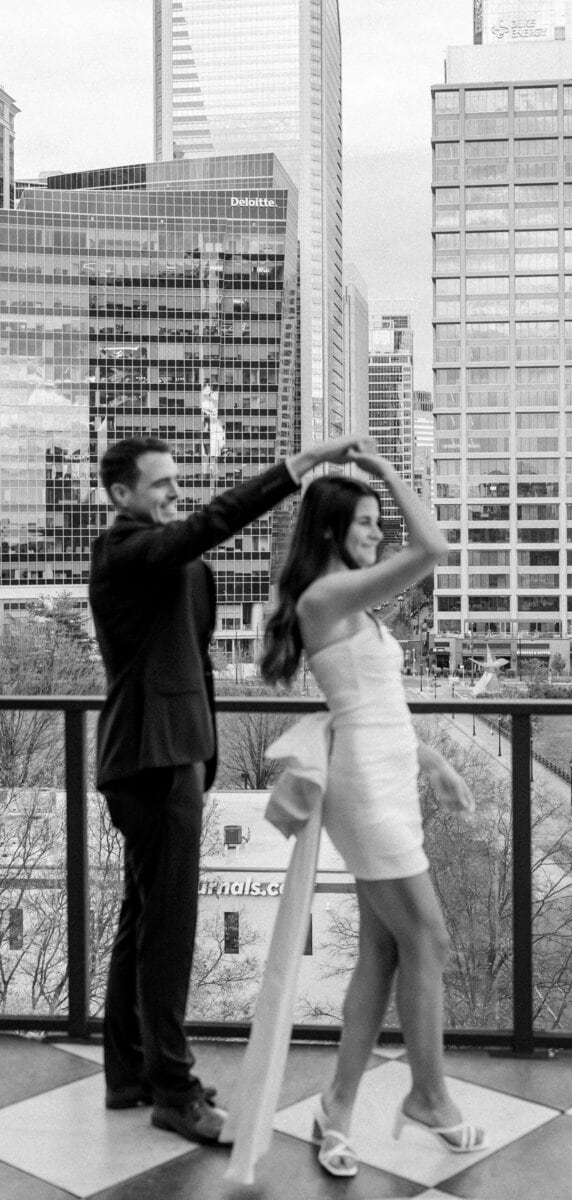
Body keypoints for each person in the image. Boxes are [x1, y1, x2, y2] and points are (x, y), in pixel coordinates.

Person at [89, 432, 366, 1146]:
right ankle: (173, 1093)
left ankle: (131, 1074)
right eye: (160, 484)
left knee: (144, 921)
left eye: (176, 480)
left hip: (169, 754)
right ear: (120, 494)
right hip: (152, 759)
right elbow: (208, 525)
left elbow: (191, 648)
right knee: (168, 932)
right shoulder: (123, 550)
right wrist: (298, 467)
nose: (175, 492)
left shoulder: (160, 554)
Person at [261, 449, 485, 1178]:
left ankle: (336, 1109)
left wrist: (434, 761)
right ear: (329, 530)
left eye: (379, 523)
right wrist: (386, 469)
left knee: (384, 953)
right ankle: (429, 1096)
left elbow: (376, 705)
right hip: (363, 791)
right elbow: (433, 547)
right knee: (431, 938)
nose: (377, 534)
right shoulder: (325, 599)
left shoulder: (349, 603)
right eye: (364, 523)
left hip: (390, 777)